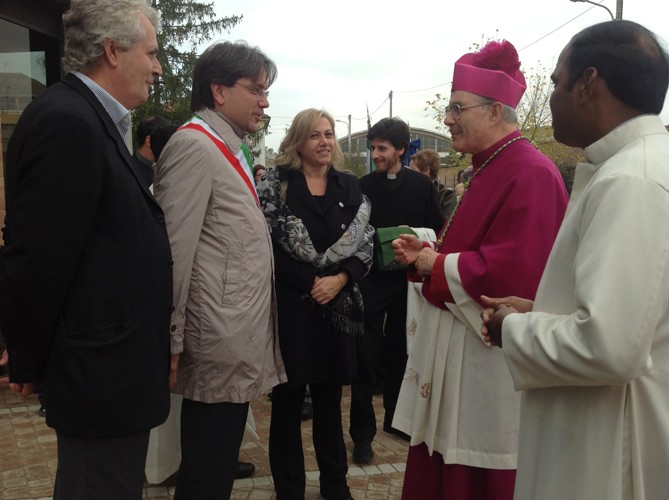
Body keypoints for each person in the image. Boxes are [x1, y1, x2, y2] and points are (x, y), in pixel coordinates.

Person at [481, 21, 669, 500]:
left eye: (556, 83)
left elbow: (609, 346)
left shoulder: (632, 179)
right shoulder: (637, 165)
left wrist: (511, 328)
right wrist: (542, 310)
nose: (550, 99)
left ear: (588, 84)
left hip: (609, 446)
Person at [0, 1, 171, 498]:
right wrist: (27, 358)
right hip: (99, 375)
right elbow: (37, 257)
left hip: (113, 369)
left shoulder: (91, 118)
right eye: (152, 53)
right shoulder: (68, 121)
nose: (158, 67)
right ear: (113, 51)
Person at [391, 40, 568, 499]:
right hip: (460, 358)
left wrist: (437, 264)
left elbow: (515, 273)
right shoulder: (487, 166)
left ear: (494, 112)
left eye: (456, 108)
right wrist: (425, 254)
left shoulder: (530, 171)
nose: (446, 118)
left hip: (488, 367)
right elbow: (471, 246)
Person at [153, 41, 286, 500]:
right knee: (206, 473)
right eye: (256, 89)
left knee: (215, 466)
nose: (265, 102)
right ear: (218, 90)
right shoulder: (193, 146)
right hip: (215, 340)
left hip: (233, 336)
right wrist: (171, 340)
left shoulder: (227, 147)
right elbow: (173, 253)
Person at [257, 108, 374, 500]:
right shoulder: (277, 186)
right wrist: (313, 282)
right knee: (288, 403)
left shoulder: (349, 186)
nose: (325, 142)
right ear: (297, 142)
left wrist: (340, 280)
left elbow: (366, 246)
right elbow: (268, 249)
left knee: (328, 402)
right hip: (294, 310)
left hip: (337, 312)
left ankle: (334, 485)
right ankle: (288, 488)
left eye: (329, 134)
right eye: (315, 136)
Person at [350, 117, 444, 465]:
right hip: (370, 282)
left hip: (407, 285)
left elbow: (437, 228)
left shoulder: (421, 186)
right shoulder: (361, 186)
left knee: (400, 353)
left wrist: (414, 235)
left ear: (401, 150)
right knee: (364, 358)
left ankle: (396, 419)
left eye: (382, 148)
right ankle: (362, 435)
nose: (375, 154)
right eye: (372, 147)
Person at [409, 148, 457, 219]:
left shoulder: (446, 196)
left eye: (413, 170)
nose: (409, 174)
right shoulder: (408, 192)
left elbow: (445, 226)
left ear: (426, 170)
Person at [133, 115, 169, 188]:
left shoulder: (132, 167)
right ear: (149, 141)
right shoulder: (135, 177)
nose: (168, 145)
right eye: (165, 140)